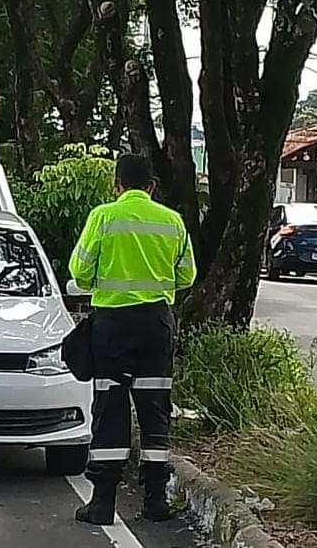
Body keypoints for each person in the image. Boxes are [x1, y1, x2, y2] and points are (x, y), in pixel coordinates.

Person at [68, 154, 196, 525]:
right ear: (152, 186)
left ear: (116, 184)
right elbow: (186, 276)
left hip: (112, 326)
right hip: (156, 325)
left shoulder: (104, 217)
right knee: (155, 410)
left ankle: (103, 502)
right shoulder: (172, 221)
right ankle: (155, 501)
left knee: (110, 408)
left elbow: (80, 270)